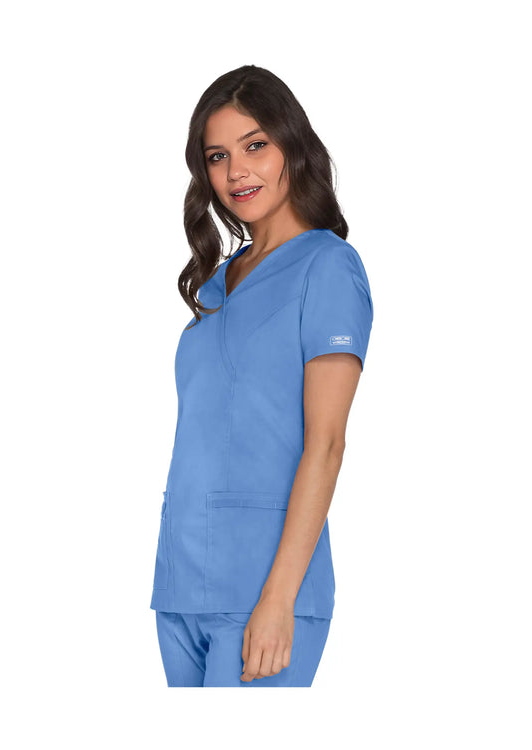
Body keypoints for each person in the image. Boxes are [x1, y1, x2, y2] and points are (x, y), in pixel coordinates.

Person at [150, 64, 374, 687]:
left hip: (263, 590)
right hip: (181, 584)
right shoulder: (216, 284)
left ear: (291, 146)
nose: (236, 172)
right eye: (218, 156)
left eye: (255, 146)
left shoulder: (328, 268)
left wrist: (279, 597)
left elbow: (326, 444)